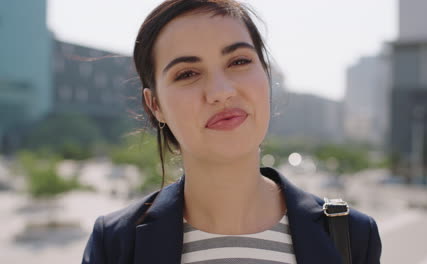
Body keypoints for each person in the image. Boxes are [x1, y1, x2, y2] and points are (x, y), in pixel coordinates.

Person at [81, 0, 382, 263]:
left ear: (266, 75)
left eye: (239, 61)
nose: (221, 92)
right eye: (187, 73)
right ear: (155, 104)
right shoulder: (117, 244)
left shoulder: (350, 236)